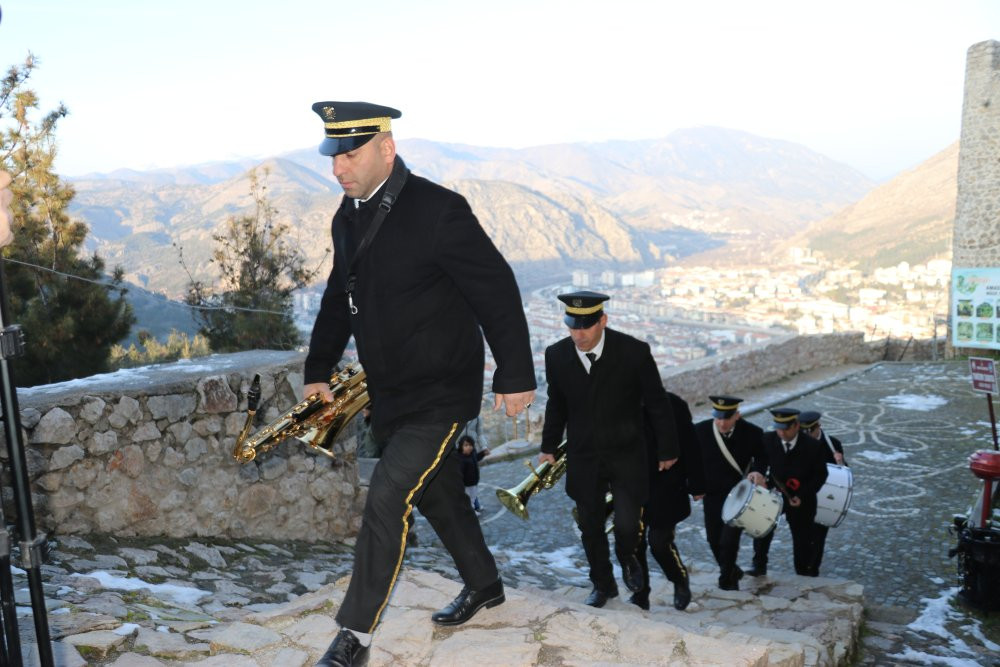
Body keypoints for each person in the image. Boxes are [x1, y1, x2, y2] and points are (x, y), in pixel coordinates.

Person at [303, 101, 536, 667]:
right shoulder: (348, 216)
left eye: (351, 153)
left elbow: (496, 288)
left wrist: (515, 373)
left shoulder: (439, 210)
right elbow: (340, 296)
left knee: (387, 494)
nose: (339, 166)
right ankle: (485, 584)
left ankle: (353, 637)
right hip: (390, 394)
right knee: (437, 492)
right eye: (334, 155)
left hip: (442, 391)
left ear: (387, 148)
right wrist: (317, 369)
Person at [539, 291, 678, 608]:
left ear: (603, 320)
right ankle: (603, 585)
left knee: (628, 525)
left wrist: (667, 449)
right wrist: (548, 445)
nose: (578, 335)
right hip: (583, 456)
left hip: (627, 454)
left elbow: (657, 403)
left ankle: (628, 556)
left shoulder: (634, 352)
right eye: (572, 327)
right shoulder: (556, 355)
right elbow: (557, 404)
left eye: (585, 327)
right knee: (590, 526)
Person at [631, 392, 704, 611]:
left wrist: (697, 484)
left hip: (667, 486)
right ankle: (640, 594)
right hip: (633, 485)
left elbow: (691, 445)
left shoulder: (673, 404)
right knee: (634, 543)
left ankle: (679, 580)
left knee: (659, 543)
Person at [694, 395, 765, 590]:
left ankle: (727, 581)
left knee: (728, 541)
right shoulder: (700, 431)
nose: (722, 423)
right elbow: (691, 461)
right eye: (718, 418)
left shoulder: (752, 433)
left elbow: (762, 456)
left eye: (727, 418)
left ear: (737, 416)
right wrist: (694, 486)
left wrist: (758, 471)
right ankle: (731, 569)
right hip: (712, 494)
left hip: (739, 497)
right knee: (713, 539)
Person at [748, 408, 829, 577]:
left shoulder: (812, 446)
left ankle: (803, 573)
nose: (781, 433)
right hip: (773, 493)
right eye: (778, 428)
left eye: (786, 429)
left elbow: (820, 475)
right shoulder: (768, 439)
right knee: (763, 529)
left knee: (802, 539)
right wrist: (758, 473)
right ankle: (759, 565)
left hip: (801, 498)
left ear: (796, 425)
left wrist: (803, 495)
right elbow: (759, 461)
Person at [799, 410, 845, 576]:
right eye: (804, 431)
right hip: (804, 495)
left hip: (825, 498)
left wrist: (840, 462)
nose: (807, 435)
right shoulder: (799, 442)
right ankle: (802, 569)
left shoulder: (833, 444)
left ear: (818, 426)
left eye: (810, 430)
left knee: (818, 536)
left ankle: (813, 570)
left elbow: (843, 474)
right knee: (802, 535)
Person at [458, 434, 489, 513]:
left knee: (473, 496)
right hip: (466, 484)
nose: (469, 447)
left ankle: (474, 508)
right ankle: (471, 512)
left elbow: (477, 457)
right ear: (461, 447)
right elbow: (460, 473)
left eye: (470, 445)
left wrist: (483, 453)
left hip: (474, 482)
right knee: (469, 499)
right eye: (466, 445)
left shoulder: (473, 454)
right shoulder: (461, 459)